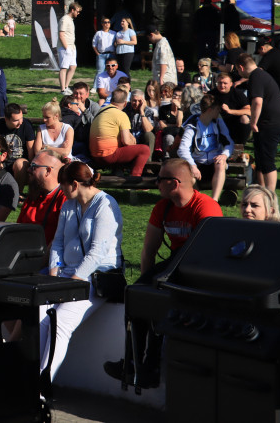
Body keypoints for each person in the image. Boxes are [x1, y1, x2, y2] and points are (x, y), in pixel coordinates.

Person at [104, 158, 222, 389]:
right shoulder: (163, 207)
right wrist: (144, 287)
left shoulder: (205, 207)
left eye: (159, 179)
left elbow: (208, 254)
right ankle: (132, 363)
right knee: (137, 297)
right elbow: (149, 251)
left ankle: (151, 367)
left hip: (196, 267)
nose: (155, 183)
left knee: (156, 300)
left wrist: (155, 286)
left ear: (174, 183)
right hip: (172, 265)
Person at [39, 162, 123, 381]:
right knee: (39, 314)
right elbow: (57, 242)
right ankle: (31, 376)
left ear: (74, 184)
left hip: (94, 277)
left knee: (60, 321)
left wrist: (74, 282)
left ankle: (42, 382)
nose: (61, 190)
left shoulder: (105, 205)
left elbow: (98, 251)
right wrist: (54, 272)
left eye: (63, 185)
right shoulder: (69, 205)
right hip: (67, 274)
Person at [238, 53, 280, 192]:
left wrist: (253, 122)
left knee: (267, 161)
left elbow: (257, 102)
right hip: (269, 123)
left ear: (241, 67)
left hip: (271, 124)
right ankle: (262, 190)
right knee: (260, 160)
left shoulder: (256, 77)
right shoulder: (260, 74)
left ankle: (270, 194)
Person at [177, 93, 234, 202]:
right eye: (217, 109)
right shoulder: (192, 125)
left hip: (214, 163)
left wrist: (224, 155)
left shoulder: (218, 121)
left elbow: (229, 142)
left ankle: (214, 200)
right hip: (198, 163)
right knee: (188, 173)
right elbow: (182, 149)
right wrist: (192, 165)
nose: (219, 112)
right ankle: (197, 200)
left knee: (221, 163)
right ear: (210, 110)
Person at [89, 88, 150, 183]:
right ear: (125, 103)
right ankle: (134, 179)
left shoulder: (101, 111)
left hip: (94, 155)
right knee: (144, 149)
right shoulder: (121, 115)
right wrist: (133, 141)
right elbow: (126, 141)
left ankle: (119, 171)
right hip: (107, 156)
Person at [18, 149, 69, 249]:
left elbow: (63, 240)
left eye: (34, 167)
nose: (28, 170)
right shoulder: (34, 194)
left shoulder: (65, 199)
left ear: (48, 171)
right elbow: (17, 229)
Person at [0, 103, 36, 189]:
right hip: (2, 160)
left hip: (21, 164)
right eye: (16, 120)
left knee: (19, 164)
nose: (20, 122)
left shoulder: (26, 125)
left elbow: (31, 151)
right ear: (6, 119)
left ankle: (17, 193)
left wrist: (32, 169)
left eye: (21, 118)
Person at [216, 72, 251, 144]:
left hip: (235, 121)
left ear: (231, 84)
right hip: (218, 122)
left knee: (245, 118)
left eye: (225, 83)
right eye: (219, 83)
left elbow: (249, 111)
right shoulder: (212, 93)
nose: (222, 85)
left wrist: (230, 111)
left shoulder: (238, 93)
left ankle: (240, 145)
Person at [58, 2, 81, 95]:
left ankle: (66, 86)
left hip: (72, 46)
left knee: (73, 66)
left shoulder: (70, 20)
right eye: (77, 11)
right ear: (72, 10)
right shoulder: (64, 19)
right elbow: (61, 35)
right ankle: (63, 89)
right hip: (65, 47)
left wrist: (71, 48)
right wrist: (66, 48)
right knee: (64, 67)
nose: (78, 13)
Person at [155, 81, 183, 157]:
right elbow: (162, 125)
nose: (176, 97)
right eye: (175, 95)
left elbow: (179, 124)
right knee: (169, 138)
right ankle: (167, 158)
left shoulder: (185, 109)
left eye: (179, 96)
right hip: (168, 134)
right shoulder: (164, 109)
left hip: (181, 135)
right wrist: (175, 126)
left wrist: (179, 108)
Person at [125, 90, 156, 154]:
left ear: (143, 101)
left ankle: (147, 161)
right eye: (134, 101)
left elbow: (148, 129)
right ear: (130, 100)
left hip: (142, 138)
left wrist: (142, 111)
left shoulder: (148, 111)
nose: (136, 103)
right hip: (128, 138)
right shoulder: (125, 110)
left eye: (139, 101)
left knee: (149, 135)